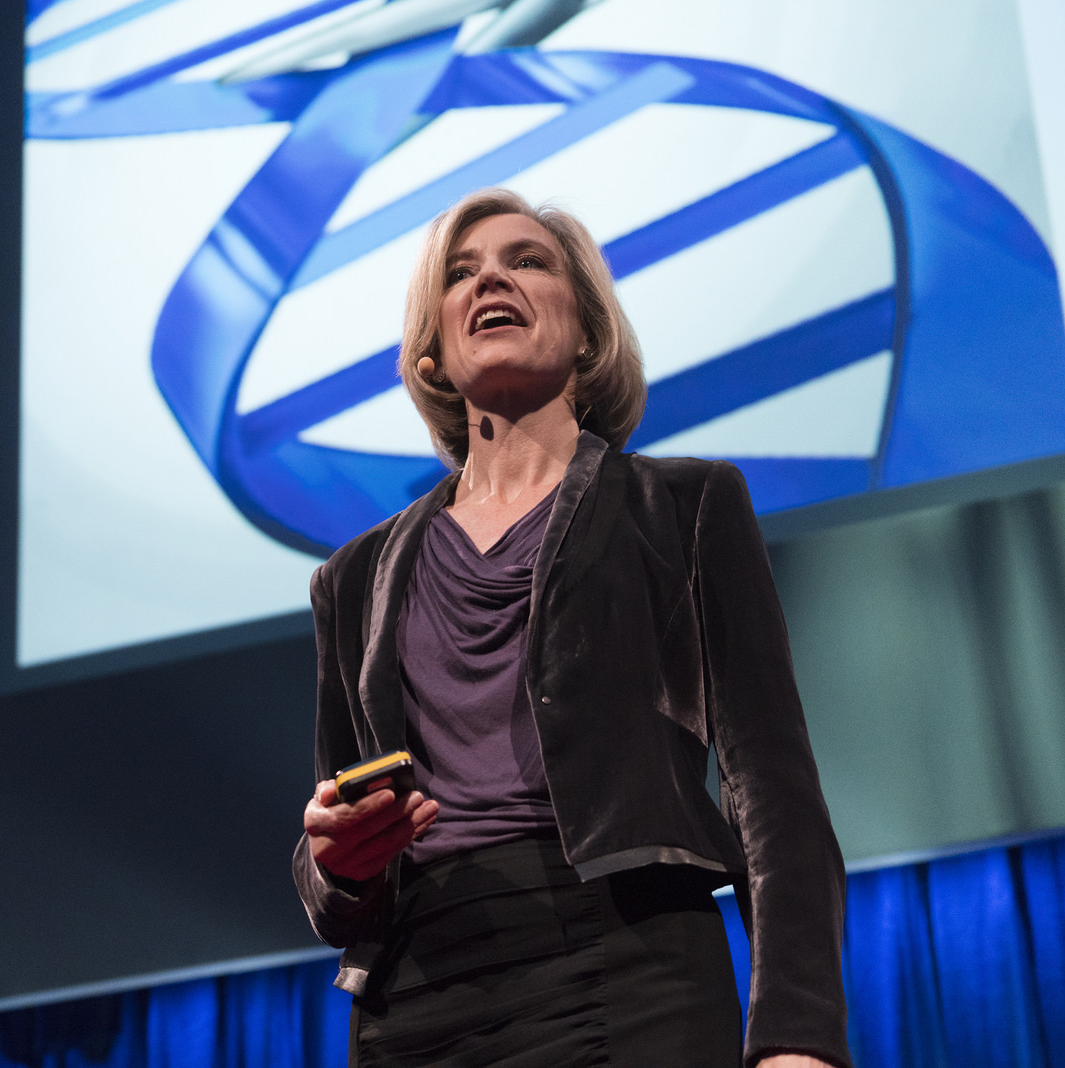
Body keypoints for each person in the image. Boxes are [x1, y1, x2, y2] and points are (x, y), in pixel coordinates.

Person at [292, 188, 850, 1068]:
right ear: (432, 354)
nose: (491, 282)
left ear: (588, 333)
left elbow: (771, 793)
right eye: (461, 274)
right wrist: (336, 863)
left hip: (628, 969)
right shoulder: (351, 581)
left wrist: (797, 1032)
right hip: (417, 1002)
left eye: (526, 261)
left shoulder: (685, 507)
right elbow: (333, 875)